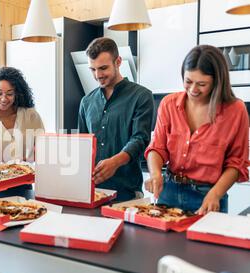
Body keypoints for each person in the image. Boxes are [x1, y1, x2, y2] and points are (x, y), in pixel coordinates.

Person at [144, 45, 249, 214]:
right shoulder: (169, 104)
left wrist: (215, 194)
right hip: (168, 191)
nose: (193, 89)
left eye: (202, 84)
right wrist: (155, 174)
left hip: (209, 195)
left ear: (217, 81)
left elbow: (237, 163)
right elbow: (157, 148)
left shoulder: (235, 110)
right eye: (188, 81)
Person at [78, 37, 155, 201]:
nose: (97, 75)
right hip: (93, 192)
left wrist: (115, 162)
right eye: (92, 69)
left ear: (118, 61)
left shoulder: (141, 96)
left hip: (127, 192)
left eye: (103, 68)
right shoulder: (86, 102)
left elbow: (140, 139)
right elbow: (82, 145)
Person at [0, 67, 45, 165]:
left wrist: (26, 161)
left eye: (9, 94)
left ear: (16, 94)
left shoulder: (31, 116)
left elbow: (43, 147)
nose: (3, 99)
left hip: (29, 176)